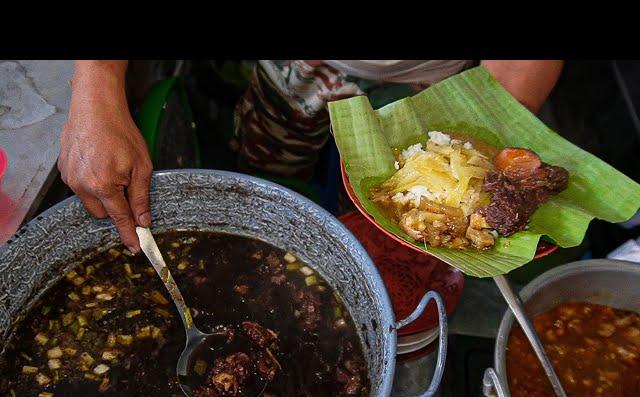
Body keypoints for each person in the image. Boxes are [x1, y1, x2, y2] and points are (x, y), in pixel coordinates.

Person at [58, 60, 564, 253]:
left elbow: (520, 73)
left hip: (427, 84)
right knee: (266, 158)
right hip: (297, 66)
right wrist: (97, 87)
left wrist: (481, 178)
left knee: (377, 209)